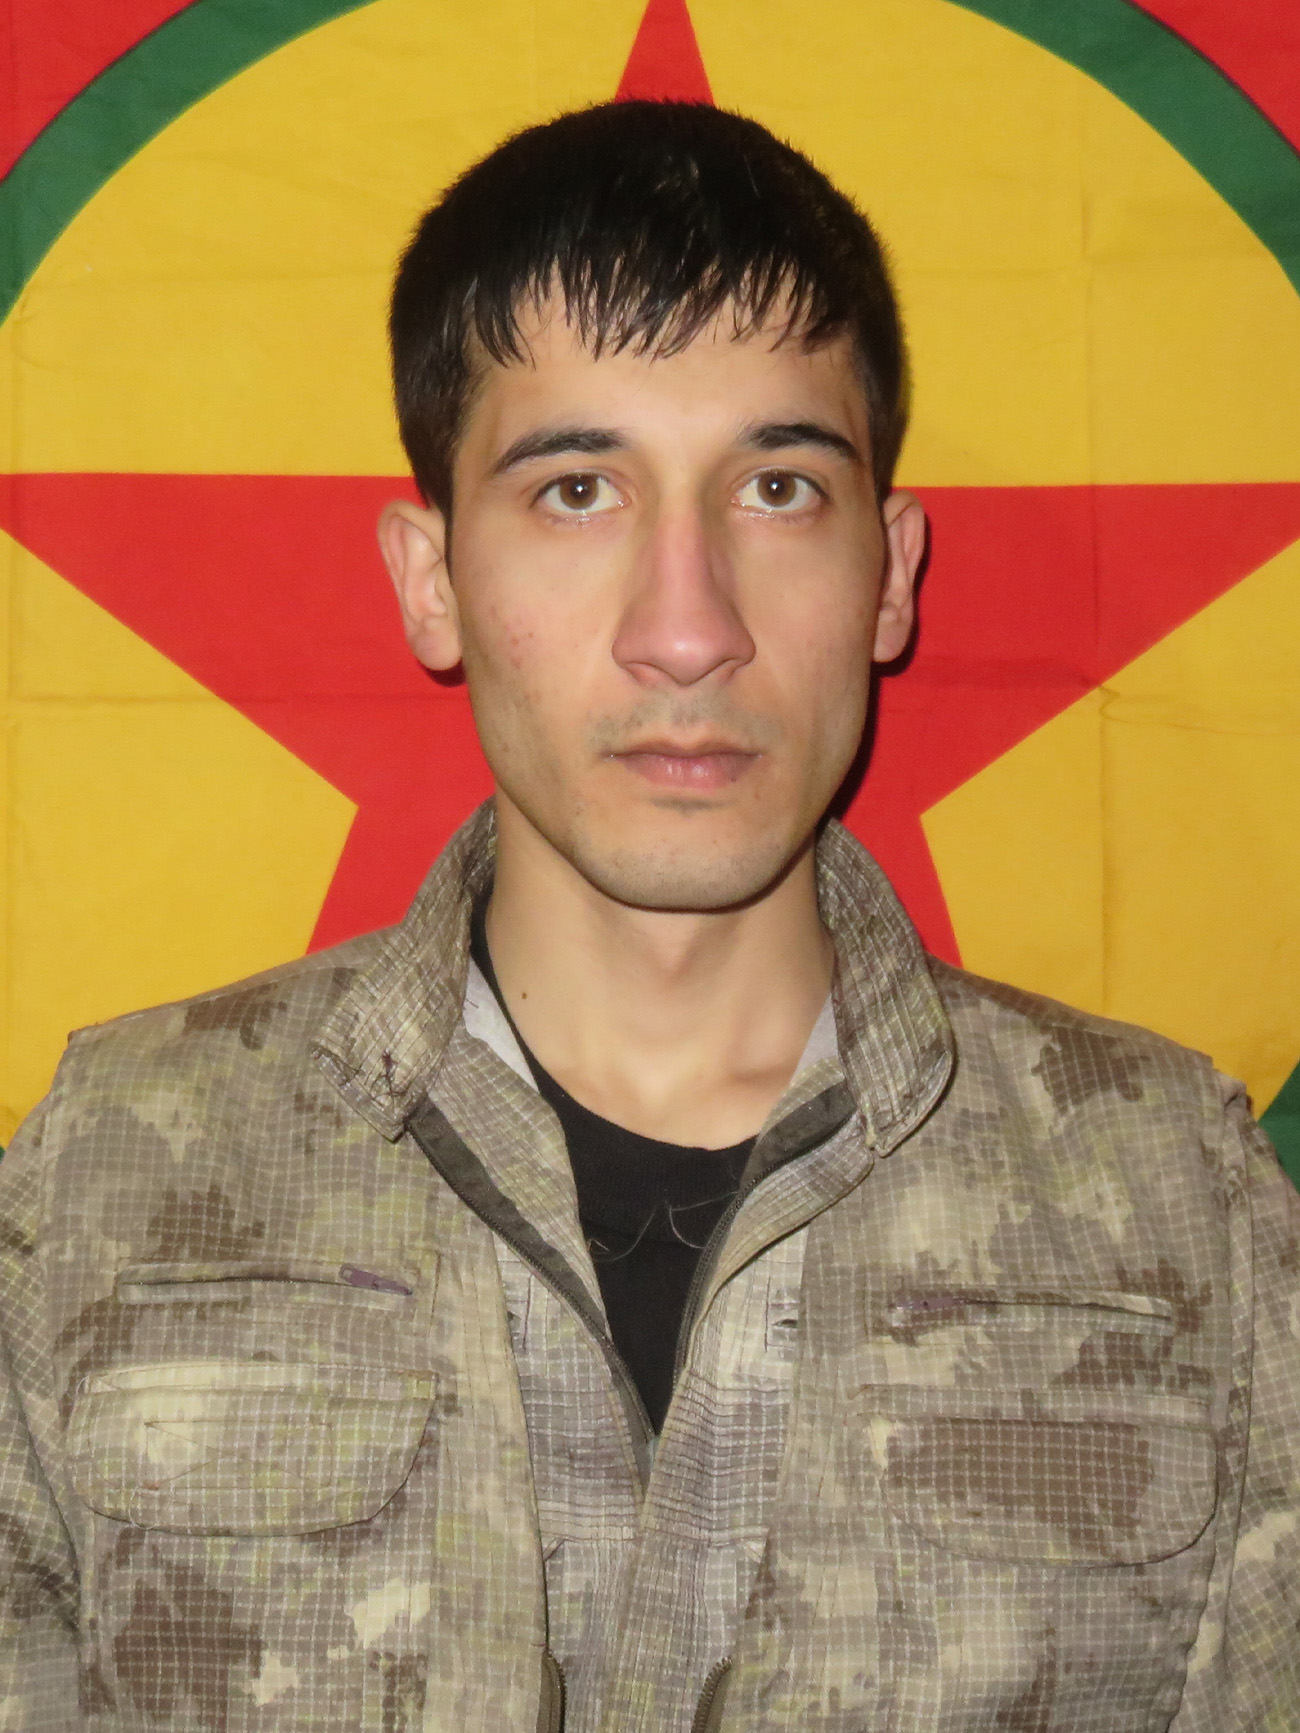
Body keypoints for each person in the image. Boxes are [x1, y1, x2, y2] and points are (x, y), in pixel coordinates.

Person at [0, 99, 1296, 1733]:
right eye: (575, 491)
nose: (687, 631)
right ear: (430, 580)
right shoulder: (104, 1181)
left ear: (891, 574)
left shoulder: (1180, 1207)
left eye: (778, 487)